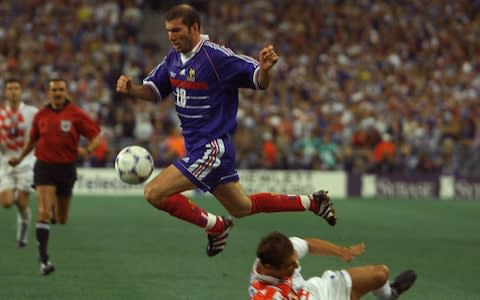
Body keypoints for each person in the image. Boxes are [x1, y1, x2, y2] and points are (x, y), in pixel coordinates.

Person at [115, 3, 336, 257]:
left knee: (154, 193)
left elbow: (257, 80)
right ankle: (312, 202)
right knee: (242, 207)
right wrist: (132, 89)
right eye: (168, 31)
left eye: (177, 30)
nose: (171, 37)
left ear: (195, 28)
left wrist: (264, 71)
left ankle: (216, 226)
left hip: (211, 148)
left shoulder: (216, 58)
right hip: (200, 148)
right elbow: (154, 90)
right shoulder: (173, 58)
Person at [9, 78, 101, 275]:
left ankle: (47, 220)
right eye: (54, 90)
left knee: (61, 218)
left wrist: (88, 150)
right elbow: (32, 140)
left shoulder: (77, 114)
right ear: (48, 93)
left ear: (66, 92)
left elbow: (95, 136)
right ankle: (43, 259)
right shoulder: (41, 115)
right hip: (44, 167)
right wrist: (20, 158)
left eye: (61, 89)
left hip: (67, 170)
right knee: (43, 212)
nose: (58, 93)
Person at [249, 231, 417, 300]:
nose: (295, 266)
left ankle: (390, 294)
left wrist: (342, 252)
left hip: (316, 290)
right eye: (289, 266)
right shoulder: (265, 294)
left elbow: (309, 244)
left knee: (380, 274)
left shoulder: (282, 250)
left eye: (295, 260)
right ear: (269, 267)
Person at [0, 78, 38, 248]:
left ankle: (22, 237)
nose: (13, 91)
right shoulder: (1, 113)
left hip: (27, 161)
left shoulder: (32, 112)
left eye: (16, 88)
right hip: (6, 161)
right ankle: (14, 192)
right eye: (10, 88)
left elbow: (39, 135)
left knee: (22, 204)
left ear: (21, 91)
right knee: (7, 203)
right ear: (5, 92)